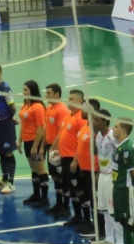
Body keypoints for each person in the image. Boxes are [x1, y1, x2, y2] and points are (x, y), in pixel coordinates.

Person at [50, 89, 87, 225]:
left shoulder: (81, 119)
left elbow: (82, 142)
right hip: (65, 159)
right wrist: (53, 148)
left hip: (73, 160)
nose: (68, 100)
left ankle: (85, 218)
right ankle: (77, 216)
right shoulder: (68, 116)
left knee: (79, 190)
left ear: (79, 101)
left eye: (71, 98)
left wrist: (76, 161)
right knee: (71, 189)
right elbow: (60, 134)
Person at [111, 119, 134, 244]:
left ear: (124, 130)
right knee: (123, 221)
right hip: (118, 188)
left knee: (132, 223)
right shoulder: (119, 147)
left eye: (116, 127)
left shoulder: (128, 149)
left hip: (128, 190)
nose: (113, 128)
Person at [93, 107, 122, 244]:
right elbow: (101, 157)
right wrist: (98, 173)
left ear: (105, 121)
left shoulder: (112, 136)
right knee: (104, 211)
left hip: (112, 177)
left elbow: (121, 155)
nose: (93, 122)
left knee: (114, 212)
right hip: (103, 177)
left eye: (96, 119)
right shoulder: (98, 136)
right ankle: (109, 239)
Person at [0, 64, 18, 194]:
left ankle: (11, 182)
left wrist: (9, 119)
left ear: (0, 73)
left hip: (5, 124)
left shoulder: (4, 87)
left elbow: (12, 106)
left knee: (8, 152)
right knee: (1, 151)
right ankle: (4, 178)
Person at [18, 80, 49, 207]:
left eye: (26, 90)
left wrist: (35, 146)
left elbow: (40, 128)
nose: (23, 92)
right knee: (33, 168)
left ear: (32, 91)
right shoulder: (26, 104)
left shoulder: (38, 107)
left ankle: (44, 198)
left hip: (35, 140)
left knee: (40, 169)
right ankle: (36, 194)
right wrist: (19, 140)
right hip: (27, 140)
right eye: (23, 89)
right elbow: (23, 124)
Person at [73, 98, 100, 237]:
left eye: (84, 108)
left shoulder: (96, 130)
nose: (81, 110)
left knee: (96, 201)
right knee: (90, 198)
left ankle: (99, 229)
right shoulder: (85, 126)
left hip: (93, 170)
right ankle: (93, 224)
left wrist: (98, 173)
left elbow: (102, 153)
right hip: (84, 169)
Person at [41, 83, 69, 216]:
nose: (46, 96)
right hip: (51, 148)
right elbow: (47, 129)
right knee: (55, 177)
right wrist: (43, 147)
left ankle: (65, 206)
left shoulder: (61, 110)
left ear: (57, 94)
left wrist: (55, 149)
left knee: (62, 178)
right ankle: (58, 203)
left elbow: (61, 132)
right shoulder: (49, 108)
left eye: (49, 93)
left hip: (58, 150)